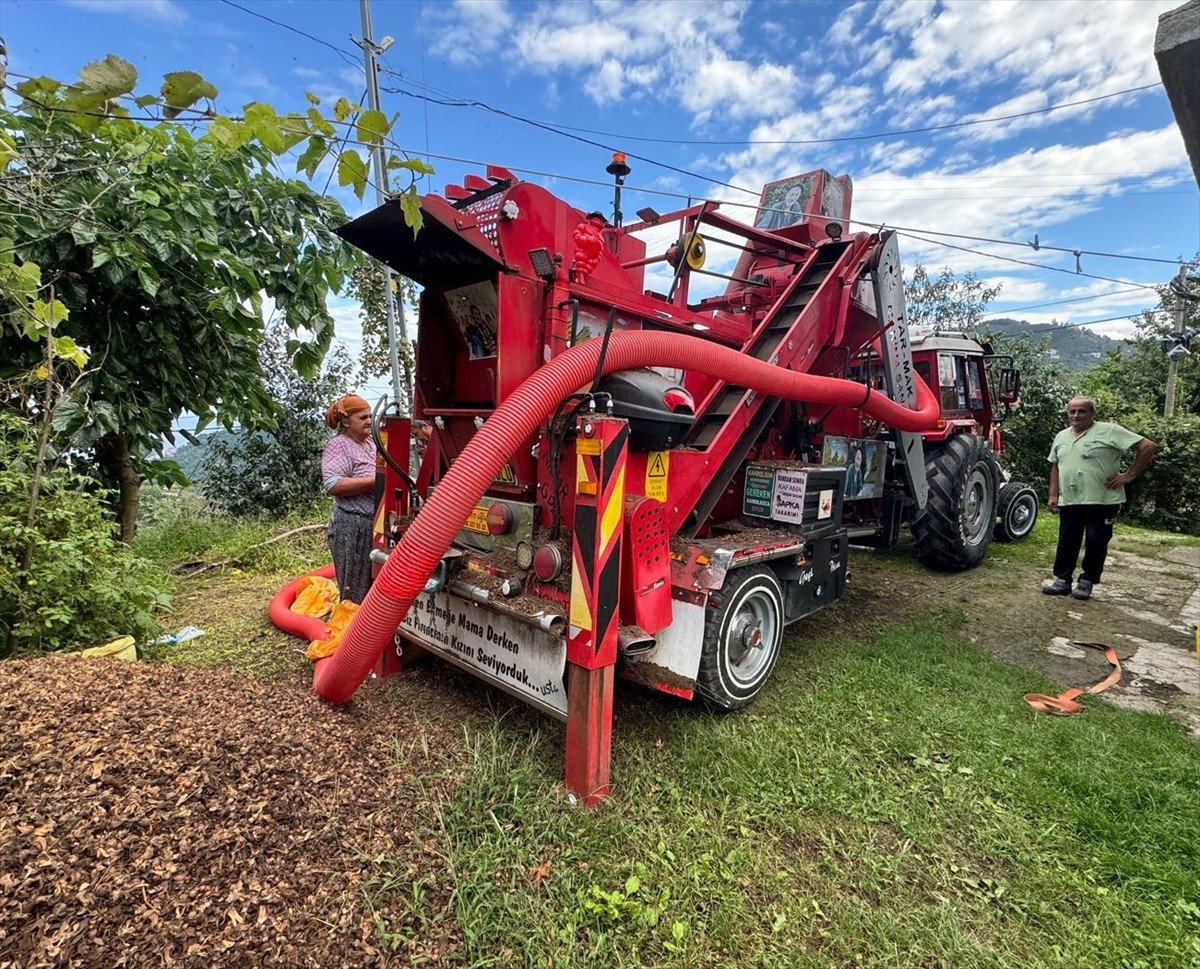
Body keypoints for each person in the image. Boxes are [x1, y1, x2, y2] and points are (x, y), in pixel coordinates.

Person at [1042, 397, 1156, 600]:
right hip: (1070, 499)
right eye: (1072, 412)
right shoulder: (1061, 436)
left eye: (1082, 411)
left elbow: (1147, 446)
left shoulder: (1109, 430)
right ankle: (1062, 581)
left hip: (1102, 500)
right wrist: (1053, 494)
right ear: (1067, 414)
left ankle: (1087, 581)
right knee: (1067, 541)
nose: (1076, 415)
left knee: (1096, 541)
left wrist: (1129, 475)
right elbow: (1055, 466)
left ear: (1092, 414)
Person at [321, 394, 377, 605]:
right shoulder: (339, 446)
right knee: (354, 587)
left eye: (370, 416)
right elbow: (333, 485)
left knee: (373, 584)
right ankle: (351, 633)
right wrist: (375, 481)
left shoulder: (372, 442)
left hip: (375, 522)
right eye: (363, 417)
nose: (369, 421)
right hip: (352, 526)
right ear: (346, 422)